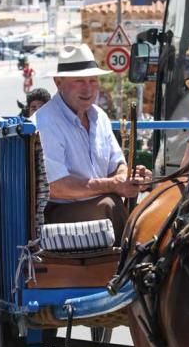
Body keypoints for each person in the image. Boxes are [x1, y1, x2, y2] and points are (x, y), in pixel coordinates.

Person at [32, 43, 151, 243]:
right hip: (59, 211)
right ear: (58, 82)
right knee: (110, 205)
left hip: (99, 204)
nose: (88, 88)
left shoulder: (99, 116)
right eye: (79, 80)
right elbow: (56, 187)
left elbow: (118, 164)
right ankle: (129, 265)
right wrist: (113, 185)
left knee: (148, 207)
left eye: (92, 80)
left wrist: (129, 179)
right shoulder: (45, 122)